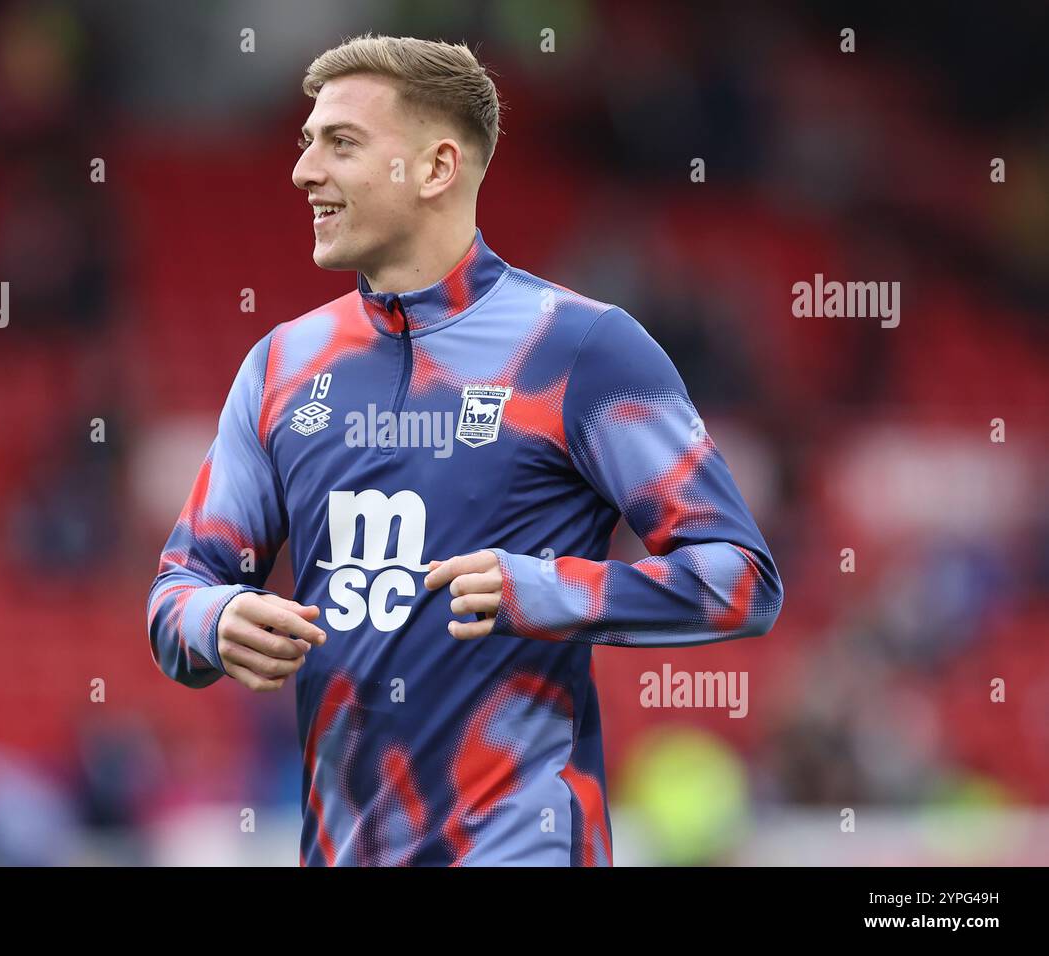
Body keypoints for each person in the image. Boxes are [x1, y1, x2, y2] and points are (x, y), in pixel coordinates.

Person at [147, 33, 782, 866]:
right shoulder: (280, 368)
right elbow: (176, 591)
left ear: (437, 168)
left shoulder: (582, 349)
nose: (304, 171)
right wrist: (218, 616)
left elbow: (741, 580)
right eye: (306, 143)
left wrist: (547, 590)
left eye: (340, 143)